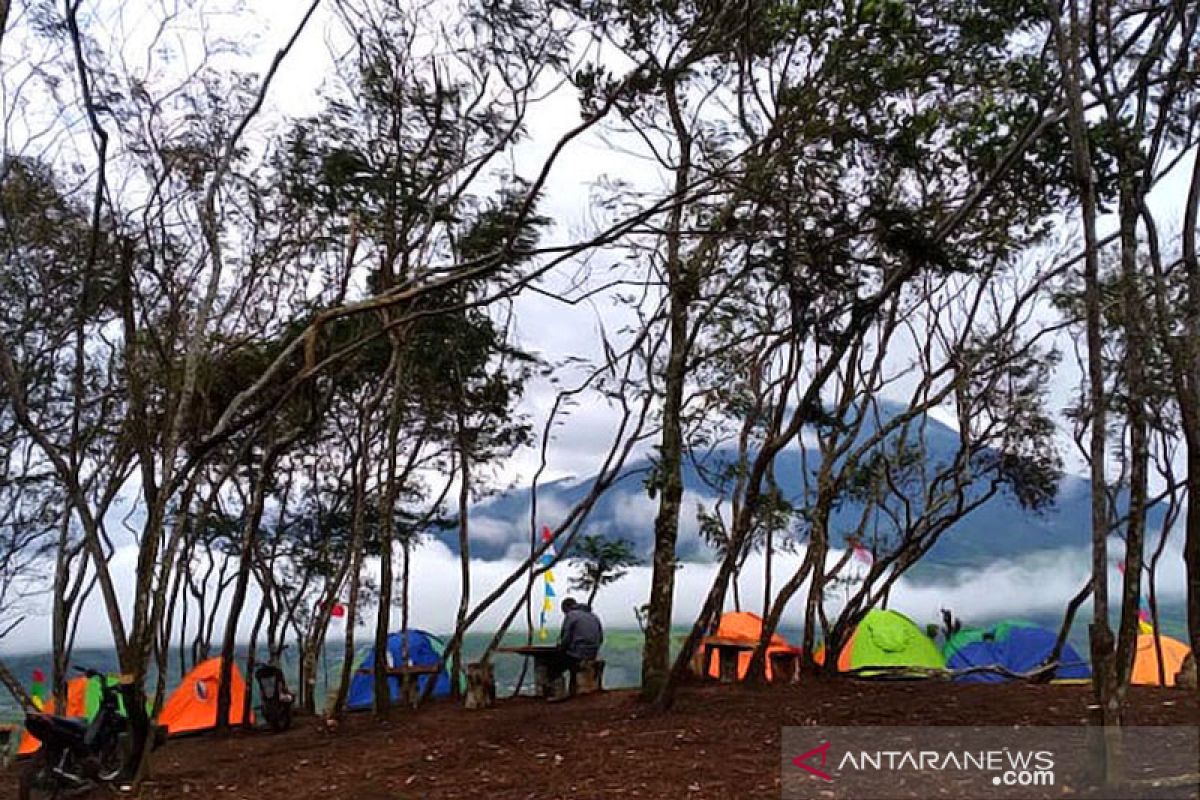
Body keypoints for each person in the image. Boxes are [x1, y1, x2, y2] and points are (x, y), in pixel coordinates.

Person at [545, 597, 603, 696]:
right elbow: (601, 638)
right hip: (592, 653)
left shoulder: (571, 616)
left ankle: (557, 694)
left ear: (566, 608)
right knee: (571, 664)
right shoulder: (593, 616)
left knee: (553, 666)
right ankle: (572, 692)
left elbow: (566, 639)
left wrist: (560, 648)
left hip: (578, 653)